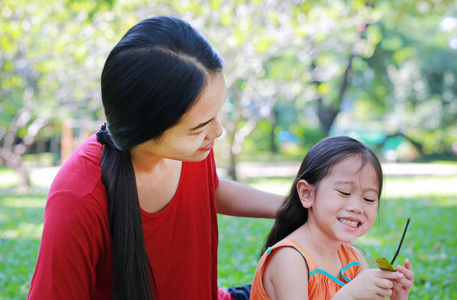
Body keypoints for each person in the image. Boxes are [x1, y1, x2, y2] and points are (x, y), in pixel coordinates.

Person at [28, 16, 283, 300]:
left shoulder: (192, 151)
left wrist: (287, 207)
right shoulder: (78, 196)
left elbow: (210, 188)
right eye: (199, 127)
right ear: (144, 130)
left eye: (217, 114)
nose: (218, 131)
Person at [251, 136, 415, 300]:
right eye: (344, 192)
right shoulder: (290, 259)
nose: (357, 207)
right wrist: (348, 295)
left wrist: (397, 297)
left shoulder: (354, 260)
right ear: (307, 194)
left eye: (369, 199)